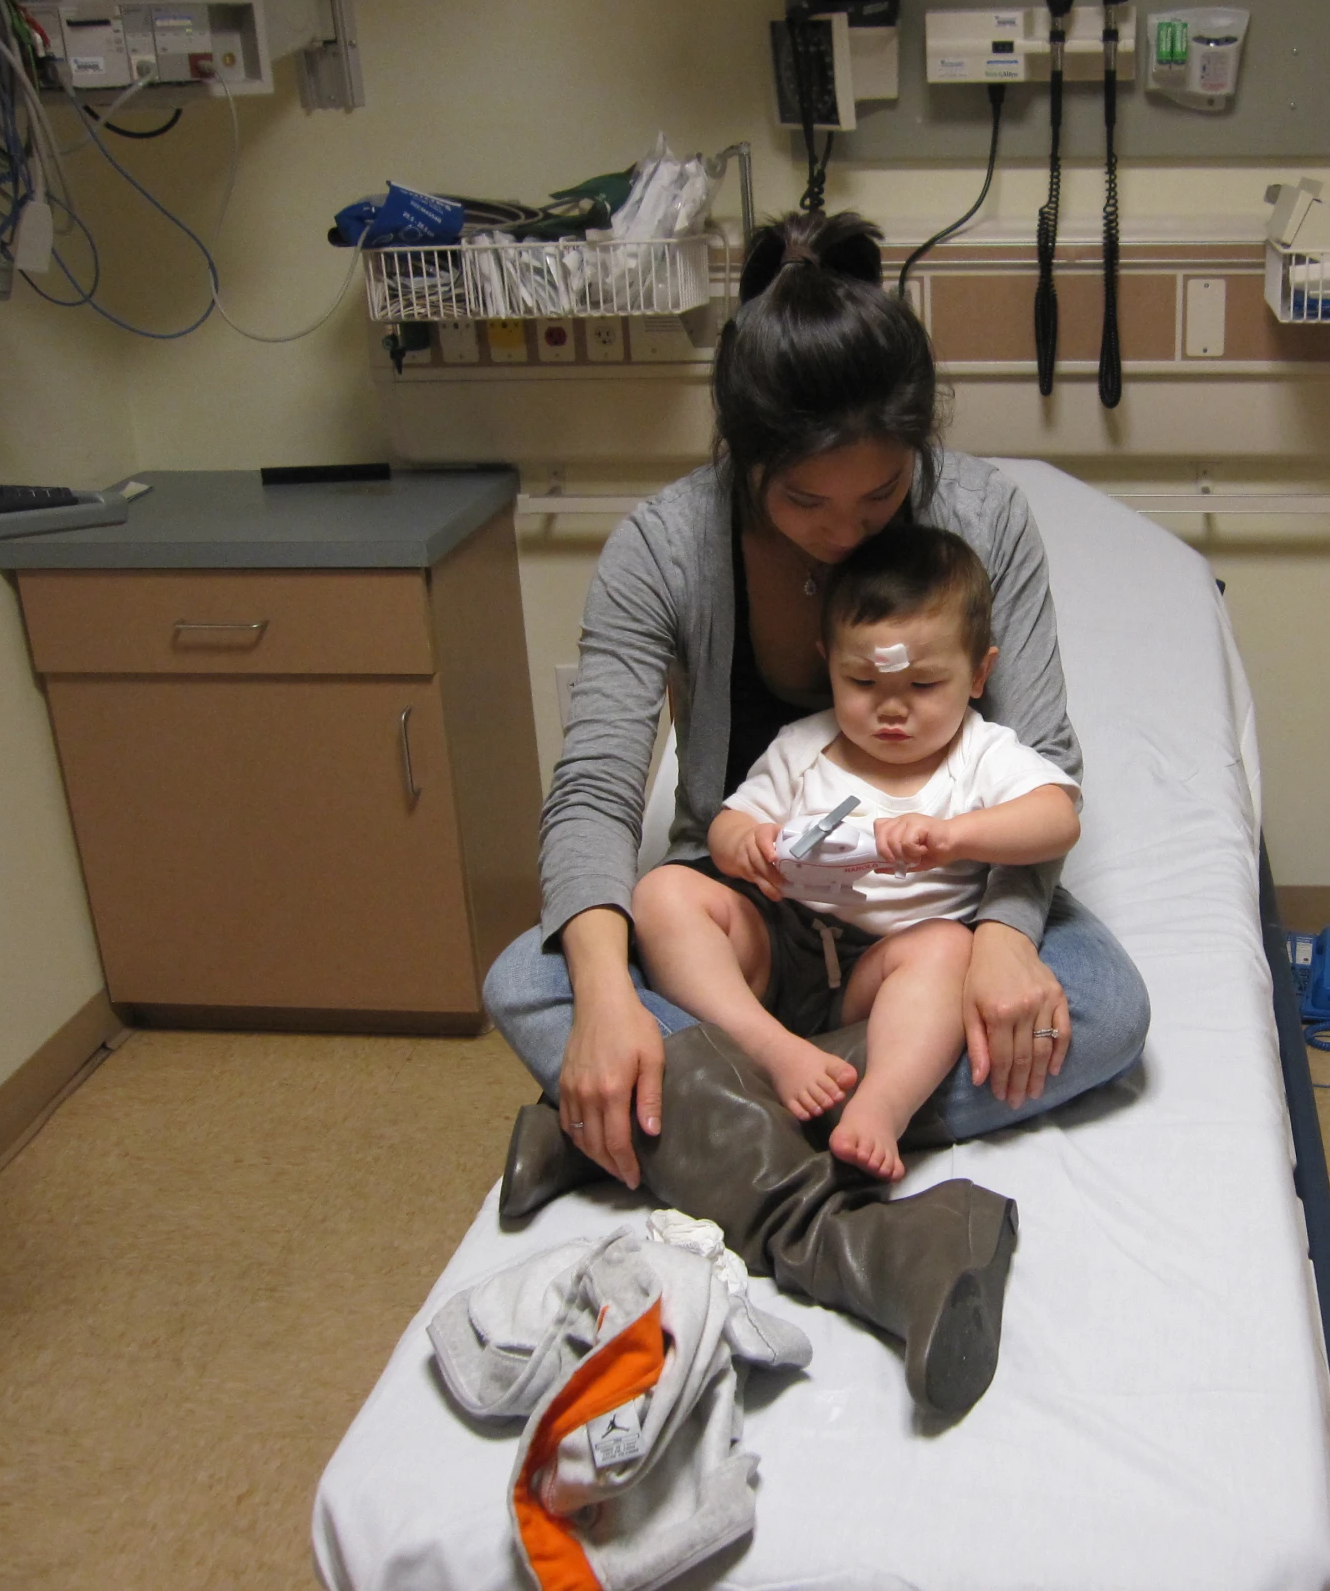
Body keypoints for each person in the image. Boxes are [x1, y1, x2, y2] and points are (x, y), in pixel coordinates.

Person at [480, 209, 1151, 1415]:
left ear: (917, 455)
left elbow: (1043, 765)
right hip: (753, 922)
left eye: (880, 498)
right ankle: (865, 1237)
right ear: (743, 460)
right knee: (534, 981)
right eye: (804, 505)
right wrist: (597, 997)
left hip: (920, 924)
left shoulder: (983, 519)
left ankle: (652, 1121)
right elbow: (591, 789)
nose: (847, 533)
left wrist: (1000, 941)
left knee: (1102, 1013)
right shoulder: (661, 548)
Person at [635, 523, 1083, 1182]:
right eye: (862, 683)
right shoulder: (803, 745)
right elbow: (729, 824)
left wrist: (954, 838)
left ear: (980, 672)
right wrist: (744, 846)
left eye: (925, 686)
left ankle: (881, 1105)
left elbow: (1057, 819)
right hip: (784, 945)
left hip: (883, 975)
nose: (892, 710)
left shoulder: (982, 754)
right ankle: (771, 1051)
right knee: (661, 892)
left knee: (948, 953)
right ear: (828, 664)